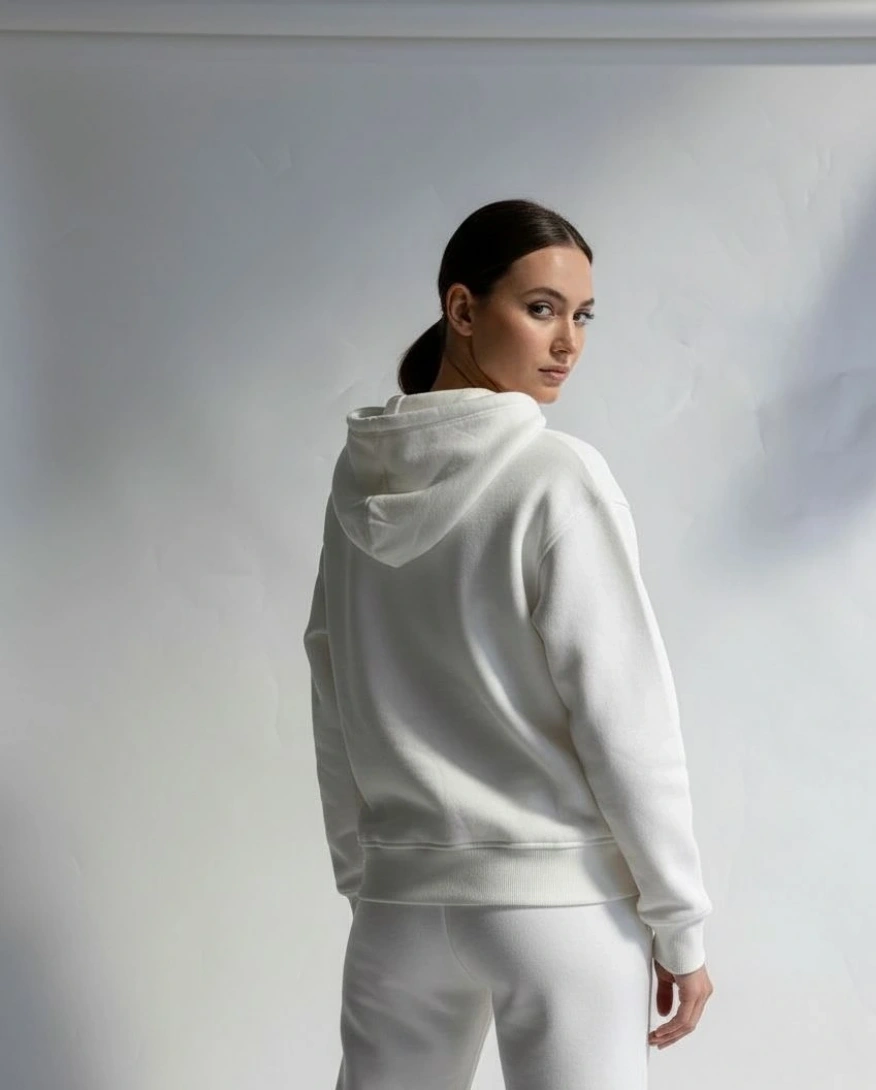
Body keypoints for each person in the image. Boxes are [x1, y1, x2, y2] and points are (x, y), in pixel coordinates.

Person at [303, 198, 714, 1090]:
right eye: (540, 308)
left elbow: (332, 690)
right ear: (461, 308)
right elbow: (624, 717)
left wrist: (370, 877)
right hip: (555, 908)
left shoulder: (357, 485)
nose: (568, 342)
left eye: (583, 316)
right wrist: (679, 923)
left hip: (399, 909)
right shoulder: (556, 477)